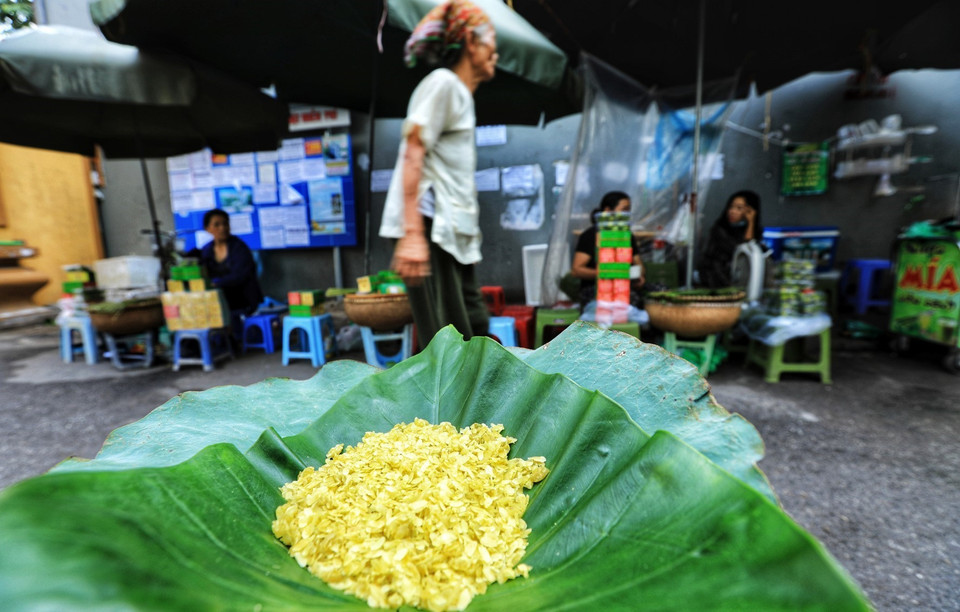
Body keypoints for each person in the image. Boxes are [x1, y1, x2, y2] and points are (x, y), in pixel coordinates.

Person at [379, 0, 498, 343]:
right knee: (449, 341)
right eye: (491, 41)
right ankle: (446, 398)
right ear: (471, 42)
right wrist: (412, 235)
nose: (496, 52)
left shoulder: (459, 94)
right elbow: (413, 149)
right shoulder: (443, 83)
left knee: (473, 325)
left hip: (451, 233)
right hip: (431, 228)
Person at [570, 191, 646, 311]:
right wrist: (606, 273)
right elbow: (576, 270)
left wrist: (639, 276)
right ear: (607, 211)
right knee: (606, 306)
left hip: (623, 288)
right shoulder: (589, 236)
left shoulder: (627, 236)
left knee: (636, 300)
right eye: (624, 209)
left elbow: (639, 264)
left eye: (629, 210)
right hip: (594, 288)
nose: (627, 214)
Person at [199, 209, 264, 335]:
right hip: (220, 295)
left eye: (225, 223)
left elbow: (240, 276)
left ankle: (229, 339)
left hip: (242, 296)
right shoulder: (206, 250)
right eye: (217, 224)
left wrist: (217, 283)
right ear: (207, 229)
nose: (222, 228)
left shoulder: (239, 247)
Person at [697, 189, 763, 288]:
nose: (732, 211)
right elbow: (741, 251)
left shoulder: (753, 230)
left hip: (739, 282)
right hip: (716, 280)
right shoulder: (720, 229)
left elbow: (750, 251)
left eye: (739, 208)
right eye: (731, 207)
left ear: (750, 211)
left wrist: (751, 223)